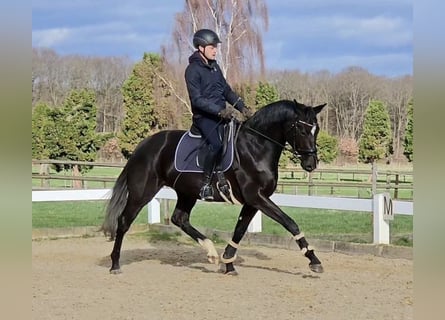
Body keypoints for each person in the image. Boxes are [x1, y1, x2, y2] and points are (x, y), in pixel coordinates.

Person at [185, 28, 252, 201]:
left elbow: (226, 91)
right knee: (216, 144)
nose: (215, 50)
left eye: (215, 47)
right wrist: (219, 110)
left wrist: (242, 107)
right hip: (204, 118)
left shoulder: (215, 67)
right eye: (212, 47)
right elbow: (197, 100)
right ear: (201, 48)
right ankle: (206, 184)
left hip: (222, 115)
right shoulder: (192, 70)